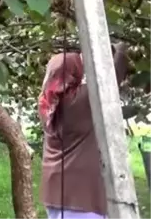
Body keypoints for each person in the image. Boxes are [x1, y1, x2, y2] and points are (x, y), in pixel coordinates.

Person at [38, 43, 129, 219]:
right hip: (79, 195)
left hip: (54, 191)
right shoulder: (76, 103)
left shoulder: (47, 103)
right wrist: (122, 50)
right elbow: (110, 82)